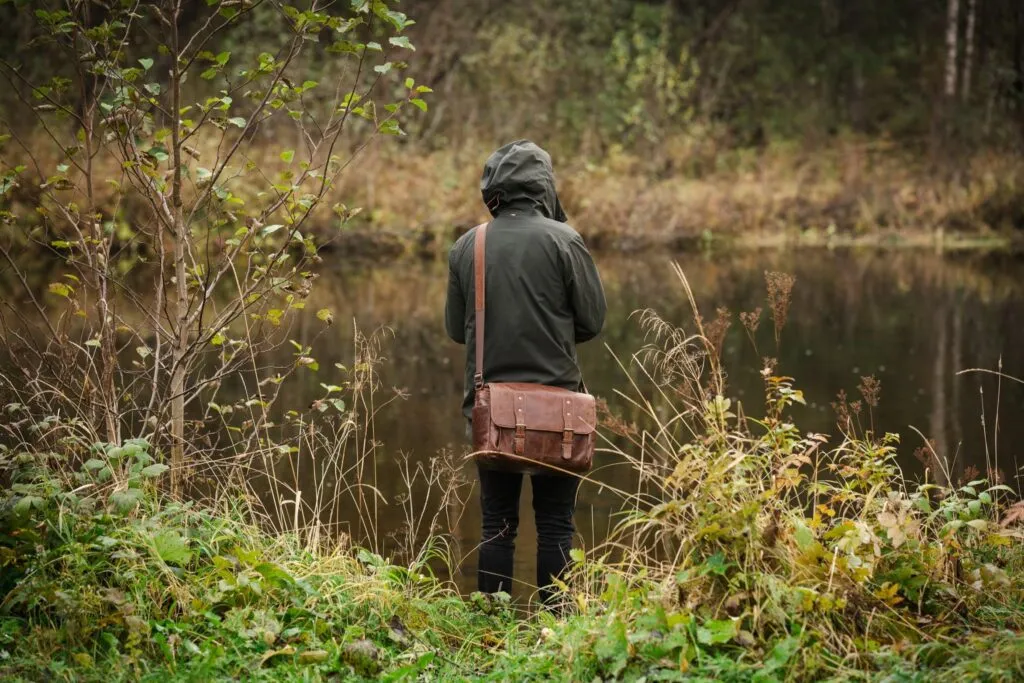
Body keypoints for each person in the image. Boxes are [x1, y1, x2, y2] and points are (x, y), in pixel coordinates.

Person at [444, 140, 607, 605]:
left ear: (493, 189)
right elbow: (593, 322)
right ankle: (557, 630)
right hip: (560, 411)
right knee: (556, 524)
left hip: (490, 410)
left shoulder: (468, 245)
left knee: (497, 524)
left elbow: (456, 329)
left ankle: (491, 628)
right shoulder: (565, 240)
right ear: (543, 186)